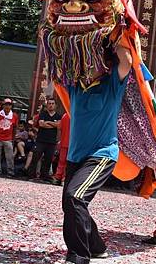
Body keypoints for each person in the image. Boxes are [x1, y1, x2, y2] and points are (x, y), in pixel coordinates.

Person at [61, 45, 132, 264]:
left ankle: (79, 256)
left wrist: (113, 34)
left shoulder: (111, 86)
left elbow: (127, 61)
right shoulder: (75, 86)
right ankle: (97, 246)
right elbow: (59, 63)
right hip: (76, 157)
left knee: (75, 197)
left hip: (101, 155)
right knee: (70, 205)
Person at [28, 97, 61, 182]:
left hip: (52, 142)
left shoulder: (58, 116)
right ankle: (31, 175)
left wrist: (48, 123)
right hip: (41, 140)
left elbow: (58, 125)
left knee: (48, 160)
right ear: (47, 105)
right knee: (35, 158)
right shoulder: (43, 114)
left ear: (55, 105)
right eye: (49, 103)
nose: (51, 105)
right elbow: (41, 124)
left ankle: (44, 177)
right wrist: (53, 124)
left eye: (52, 103)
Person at [0, 98, 18, 177]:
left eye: (9, 105)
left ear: (11, 106)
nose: (7, 106)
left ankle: (10, 171)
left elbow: (15, 127)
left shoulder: (14, 116)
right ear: (3, 105)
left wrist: (13, 138)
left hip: (8, 139)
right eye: (6, 104)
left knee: (9, 156)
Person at [53, 112, 70, 185]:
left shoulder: (64, 116)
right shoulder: (77, 115)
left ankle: (57, 177)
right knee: (68, 162)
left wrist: (59, 140)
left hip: (63, 142)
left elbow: (59, 128)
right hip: (73, 144)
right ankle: (64, 178)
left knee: (61, 161)